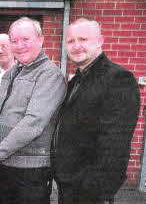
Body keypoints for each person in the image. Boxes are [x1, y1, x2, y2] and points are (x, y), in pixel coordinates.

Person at [51, 18, 141, 204]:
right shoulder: (76, 80)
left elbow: (115, 144)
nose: (76, 46)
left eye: (83, 39)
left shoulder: (118, 79)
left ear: (100, 41)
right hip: (68, 186)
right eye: (70, 41)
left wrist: (95, 189)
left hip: (90, 193)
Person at [0, 17, 66, 204]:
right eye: (14, 41)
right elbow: (1, 111)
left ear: (41, 40)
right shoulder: (12, 73)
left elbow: (33, 123)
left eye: (25, 39)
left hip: (29, 172)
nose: (19, 45)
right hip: (3, 166)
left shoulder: (50, 75)